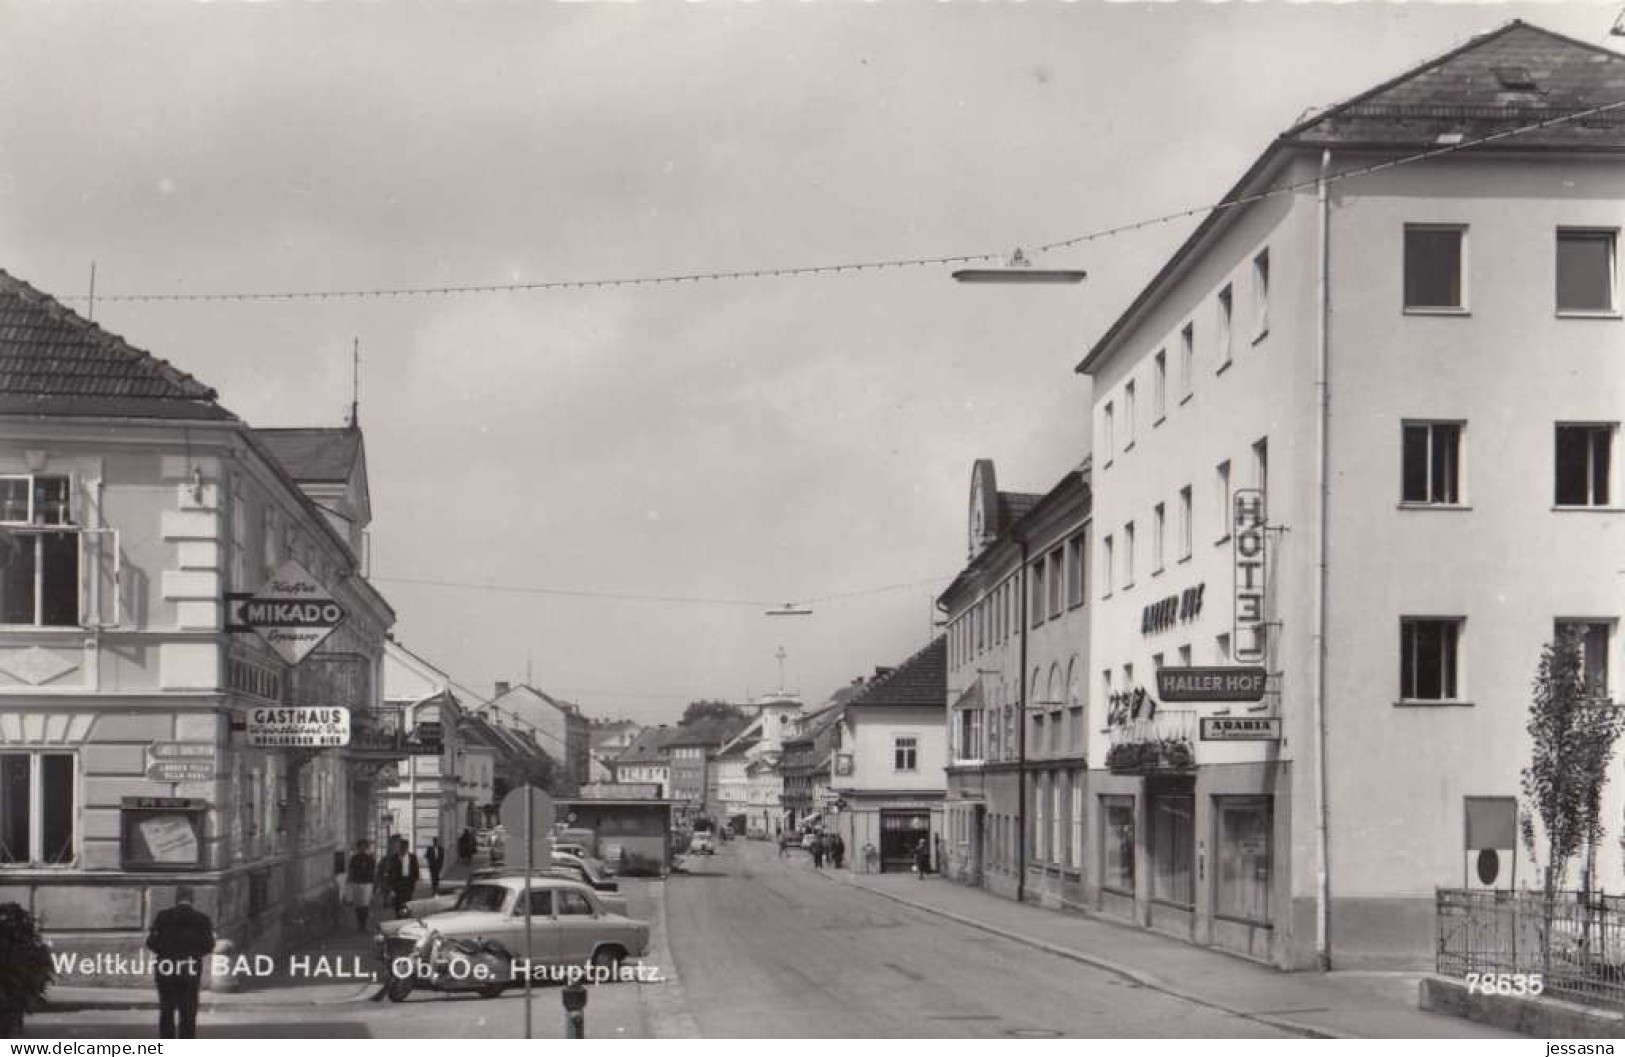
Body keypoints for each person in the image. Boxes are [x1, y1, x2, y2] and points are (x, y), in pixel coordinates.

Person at [146, 886, 214, 1039]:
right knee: (188, 1011)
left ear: (176, 899)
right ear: (192, 899)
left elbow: (151, 942)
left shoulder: (163, 916)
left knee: (167, 1010)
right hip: (190, 968)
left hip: (166, 968)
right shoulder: (202, 919)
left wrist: (164, 952)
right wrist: (194, 954)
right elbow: (209, 945)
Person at [381, 837, 420, 917]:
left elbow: (415, 869)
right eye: (402, 847)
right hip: (397, 883)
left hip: (408, 883)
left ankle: (406, 917)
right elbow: (390, 872)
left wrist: (415, 880)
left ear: (407, 848)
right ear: (400, 847)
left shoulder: (412, 857)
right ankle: (399, 917)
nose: (404, 849)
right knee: (398, 902)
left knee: (407, 902)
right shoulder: (394, 858)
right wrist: (390, 885)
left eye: (405, 847)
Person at [344, 839, 378, 931]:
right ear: (358, 848)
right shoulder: (354, 858)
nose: (362, 849)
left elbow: (373, 872)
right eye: (360, 847)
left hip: (367, 883)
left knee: (365, 904)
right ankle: (360, 922)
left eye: (364, 847)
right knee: (358, 904)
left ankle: (364, 923)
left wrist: (375, 883)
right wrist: (349, 882)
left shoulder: (370, 858)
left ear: (366, 848)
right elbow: (351, 871)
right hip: (356, 882)